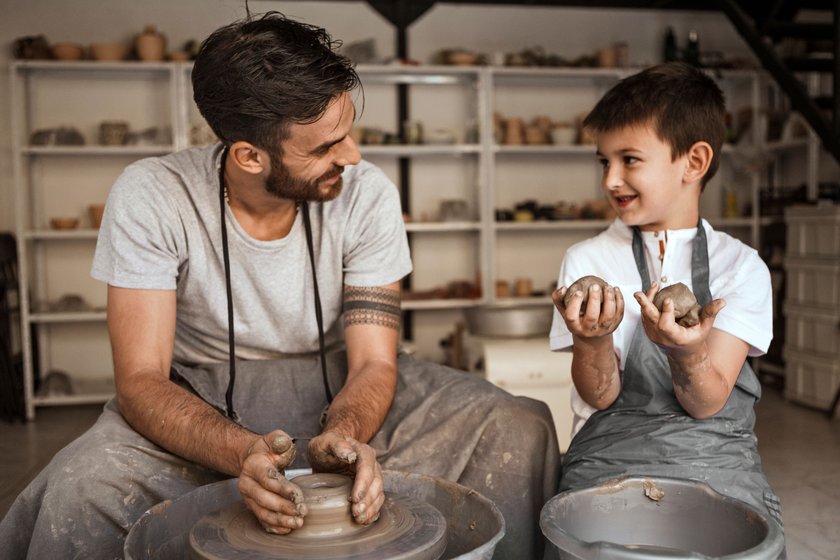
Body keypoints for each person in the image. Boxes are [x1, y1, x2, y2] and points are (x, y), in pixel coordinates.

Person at [0, 12, 560, 560]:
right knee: (80, 486)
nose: (353, 156)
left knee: (519, 425)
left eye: (348, 133)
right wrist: (244, 452)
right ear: (248, 155)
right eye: (323, 148)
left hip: (345, 380)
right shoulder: (152, 195)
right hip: (200, 394)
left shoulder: (367, 194)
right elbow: (141, 382)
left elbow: (374, 365)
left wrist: (344, 436)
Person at [549, 62, 785, 545]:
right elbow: (599, 397)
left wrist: (687, 352)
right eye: (603, 161)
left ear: (694, 163)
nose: (611, 179)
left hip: (715, 456)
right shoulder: (587, 260)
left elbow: (707, 403)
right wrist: (590, 340)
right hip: (608, 455)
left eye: (630, 159)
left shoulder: (740, 267)